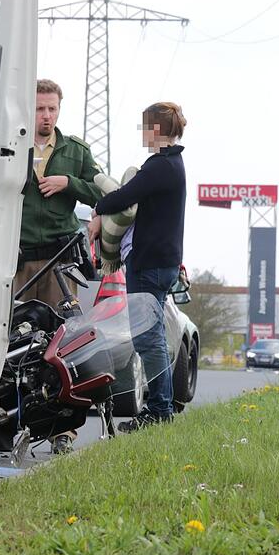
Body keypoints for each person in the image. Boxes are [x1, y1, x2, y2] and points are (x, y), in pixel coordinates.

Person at [16, 79, 103, 453]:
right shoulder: (10, 144)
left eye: (52, 108)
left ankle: (62, 432)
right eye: (39, 108)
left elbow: (103, 191)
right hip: (16, 259)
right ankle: (13, 420)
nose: (46, 115)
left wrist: (69, 183)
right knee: (14, 341)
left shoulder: (75, 151)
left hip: (58, 263)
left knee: (61, 345)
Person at [89, 102, 187, 433]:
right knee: (152, 336)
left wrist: (99, 210)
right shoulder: (173, 164)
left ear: (156, 130)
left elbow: (124, 196)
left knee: (148, 339)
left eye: (145, 127)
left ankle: (159, 410)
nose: (143, 134)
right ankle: (161, 407)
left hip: (149, 264)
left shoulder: (160, 166)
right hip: (161, 262)